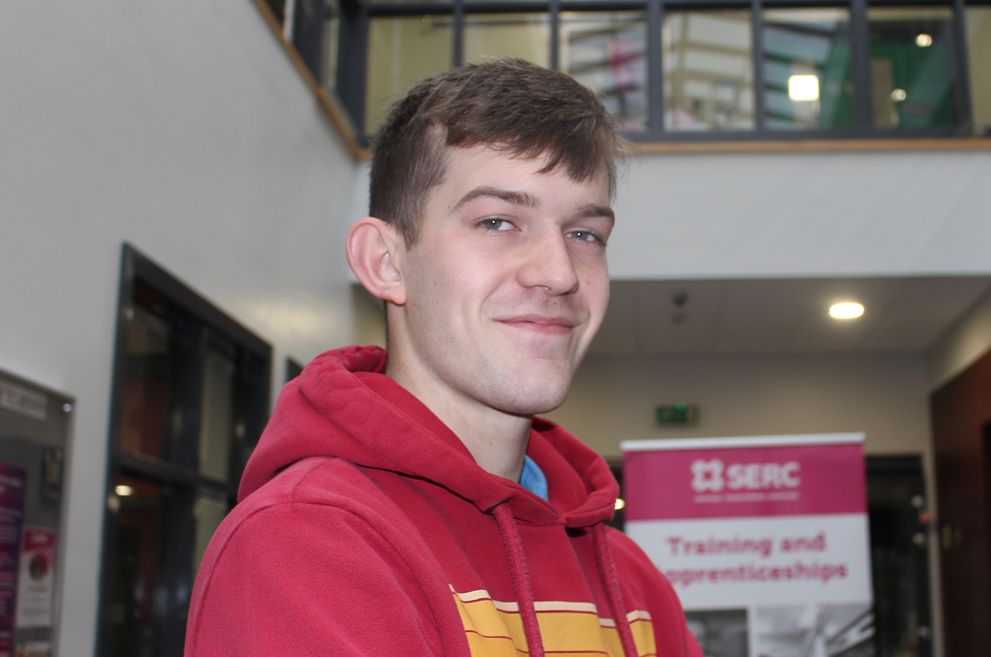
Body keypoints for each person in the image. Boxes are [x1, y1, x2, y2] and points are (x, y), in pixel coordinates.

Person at [184, 59, 702, 657]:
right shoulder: (304, 541)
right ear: (384, 261)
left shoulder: (631, 582)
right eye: (498, 221)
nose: (560, 274)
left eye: (584, 234)